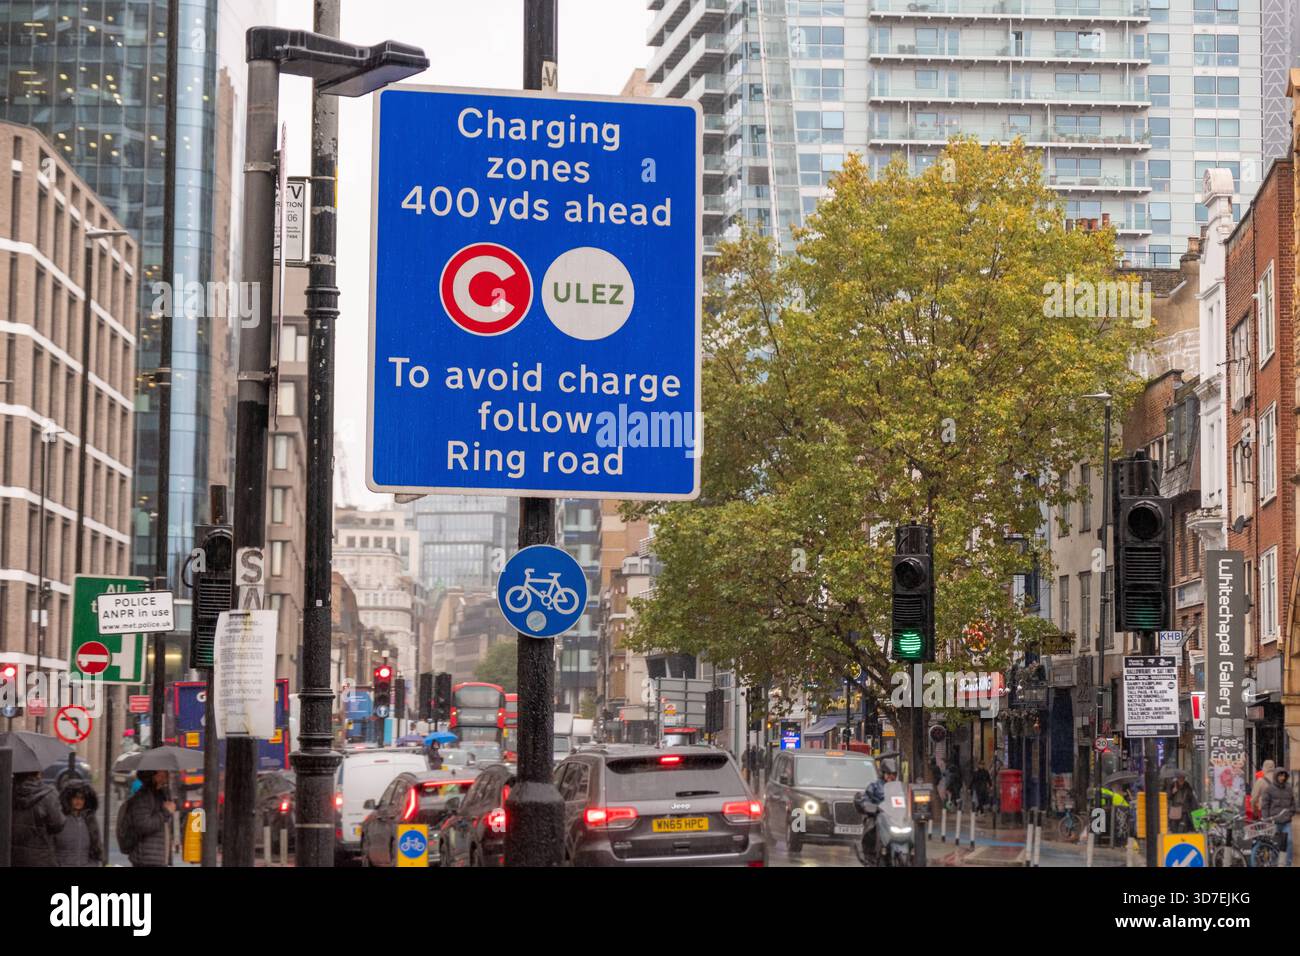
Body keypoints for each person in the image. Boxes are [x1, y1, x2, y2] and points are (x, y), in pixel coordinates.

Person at [118, 770, 175, 867]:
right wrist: (166, 812)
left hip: (157, 858)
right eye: (163, 771)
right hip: (146, 860)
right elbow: (143, 825)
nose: (167, 773)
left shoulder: (160, 794)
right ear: (153, 775)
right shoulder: (143, 797)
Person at [11, 771, 66, 867]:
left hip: (13, 858)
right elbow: (58, 824)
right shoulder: (48, 794)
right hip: (42, 859)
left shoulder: (8, 792)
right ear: (38, 773)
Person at [54, 779, 103, 867]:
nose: (78, 801)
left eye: (82, 798)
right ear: (68, 798)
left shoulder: (90, 821)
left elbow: (96, 848)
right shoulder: (60, 819)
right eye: (75, 797)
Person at [1259, 769, 1295, 867]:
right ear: (1276, 776)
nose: (1282, 778)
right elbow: (1265, 805)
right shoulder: (1269, 789)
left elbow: (1293, 803)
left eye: (1284, 776)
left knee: (1289, 841)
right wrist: (1266, 818)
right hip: (1273, 821)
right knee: (1274, 844)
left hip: (1286, 821)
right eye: (1280, 775)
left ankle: (1288, 863)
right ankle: (1275, 863)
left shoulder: (1289, 788)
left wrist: (1290, 813)